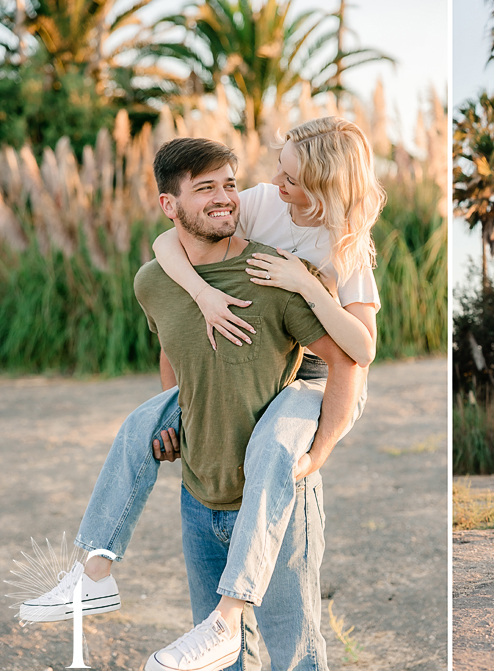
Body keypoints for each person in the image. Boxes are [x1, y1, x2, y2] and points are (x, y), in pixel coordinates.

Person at [20, 118, 381, 669]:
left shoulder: (346, 248)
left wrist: (305, 286)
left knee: (274, 447)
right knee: (138, 426)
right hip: (213, 463)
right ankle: (94, 571)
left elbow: (357, 354)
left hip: (316, 382)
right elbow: (172, 239)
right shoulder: (259, 203)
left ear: (322, 184)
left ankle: (228, 615)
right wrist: (202, 294)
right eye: (276, 175)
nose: (273, 185)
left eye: (289, 178)